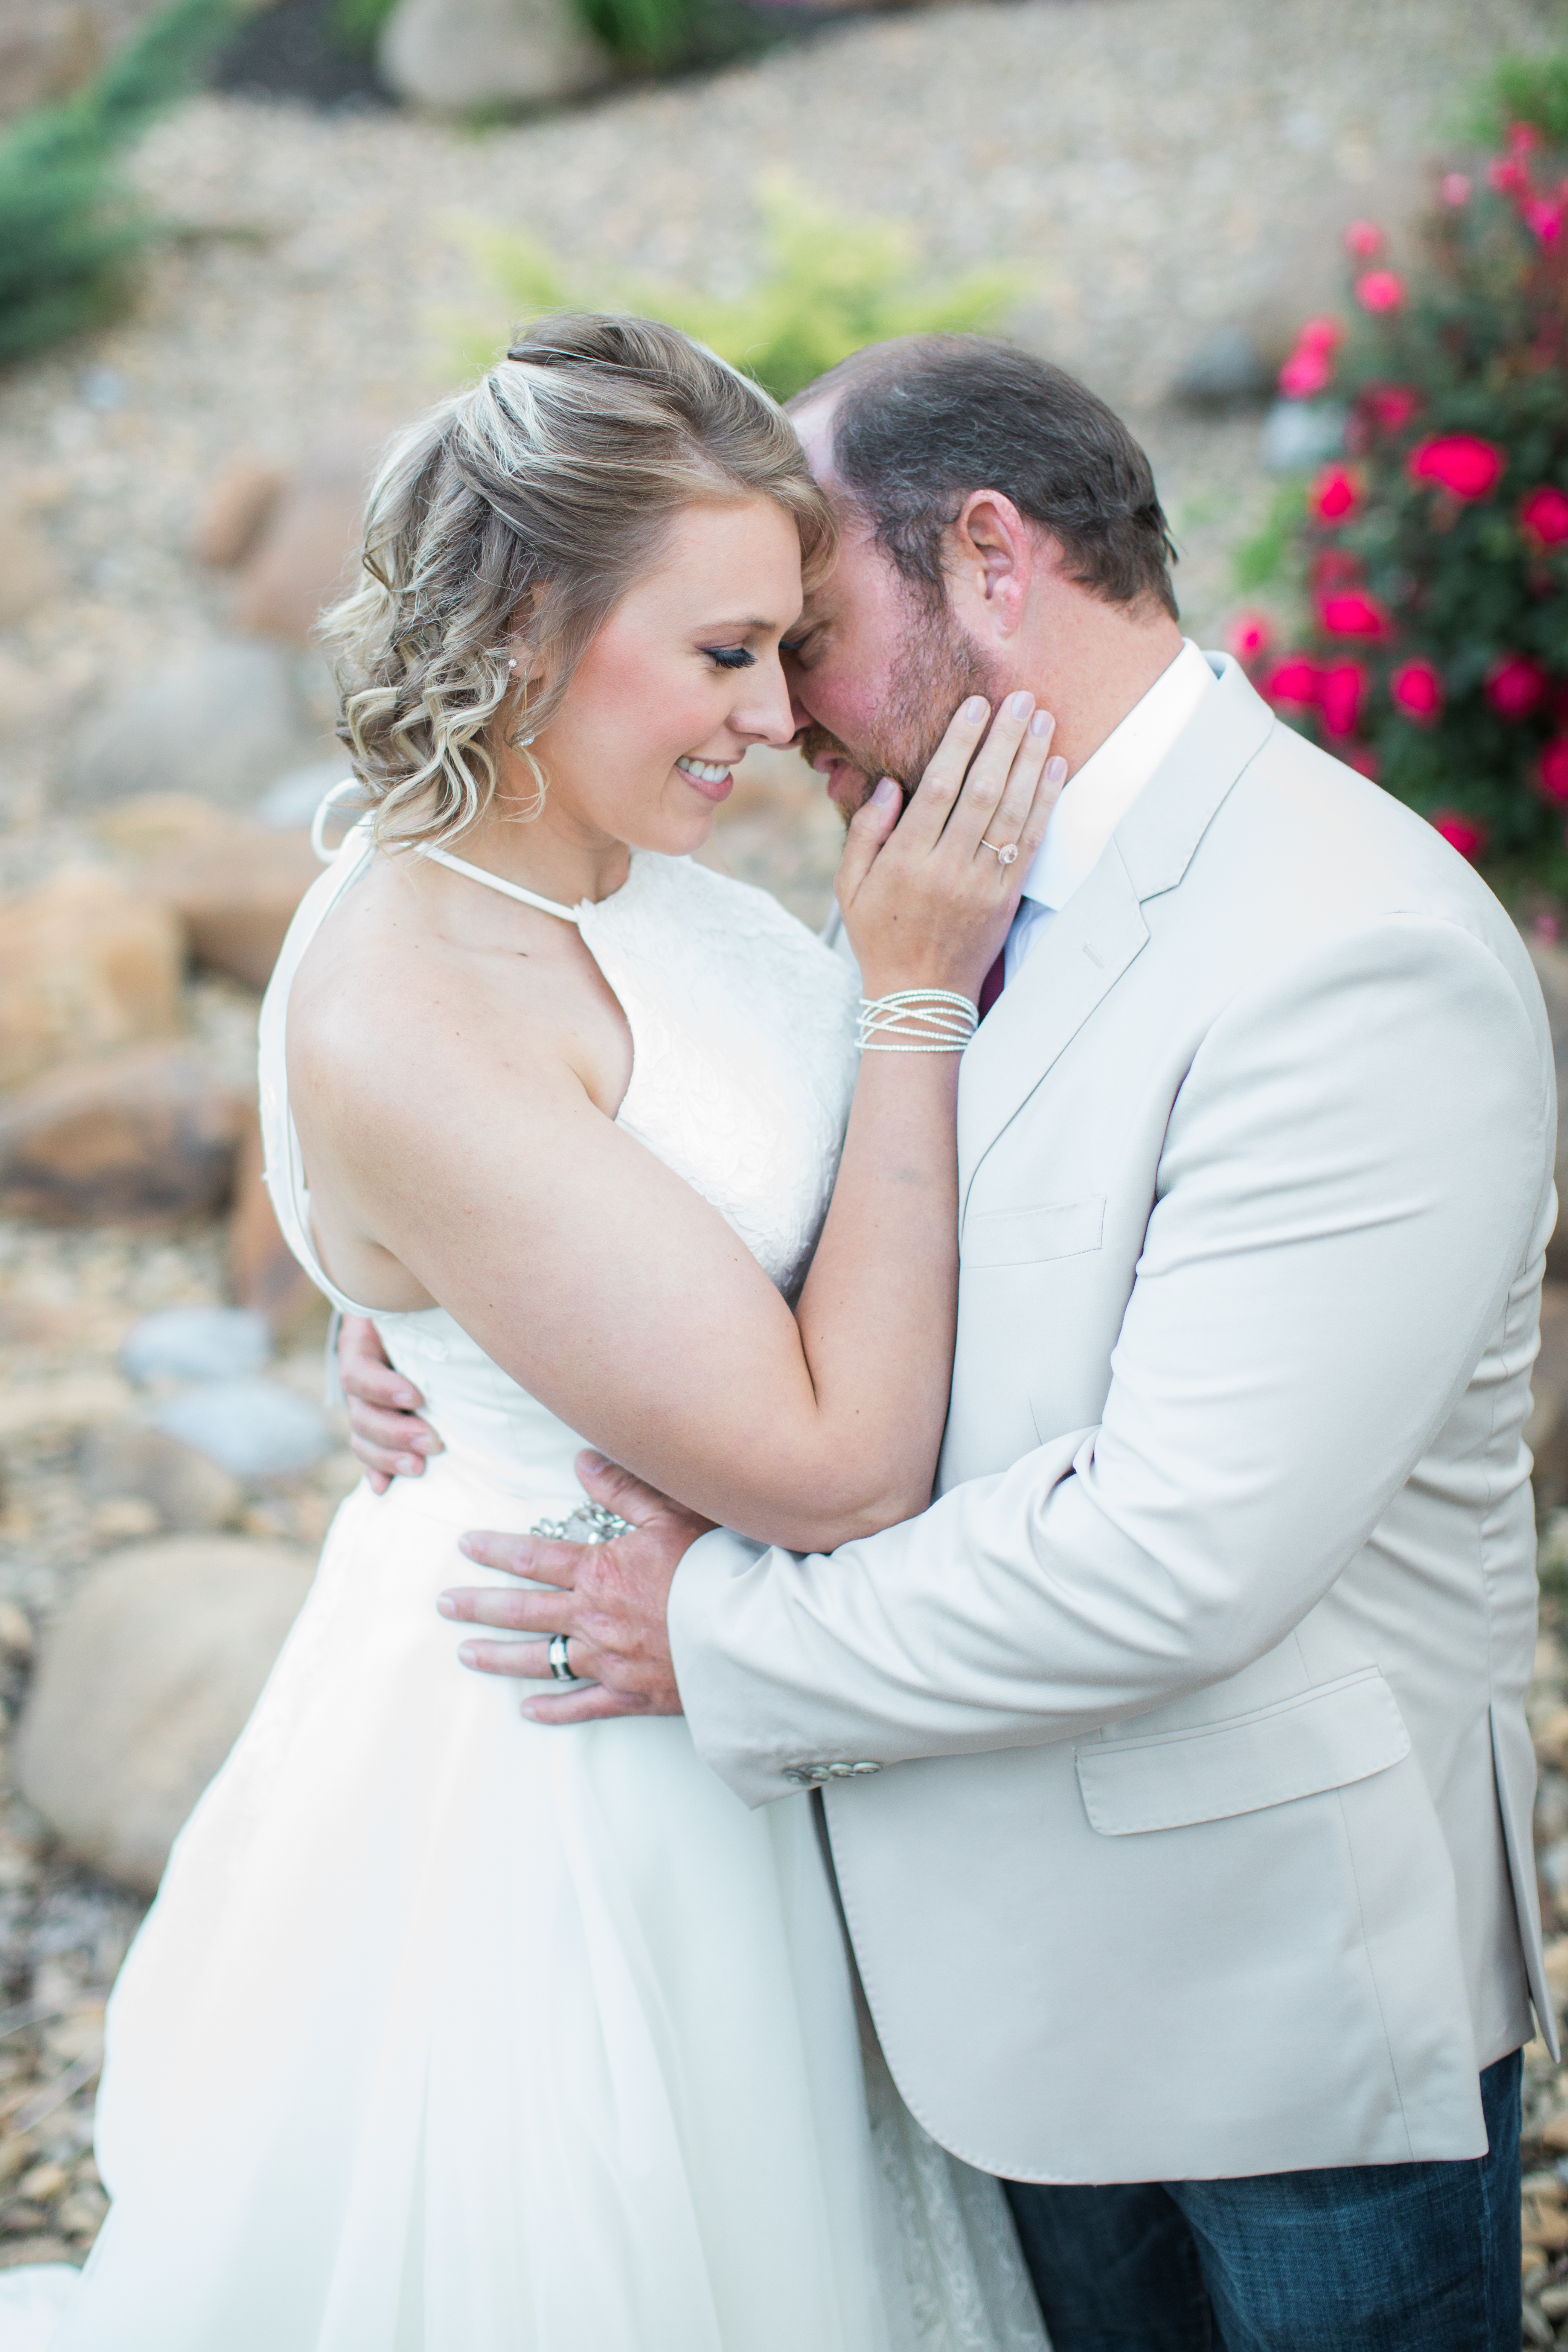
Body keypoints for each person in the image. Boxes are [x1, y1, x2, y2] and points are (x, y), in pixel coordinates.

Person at [349, 334, 1559, 2351]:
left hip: (1260, 2019)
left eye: (803, 629)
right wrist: (461, 1328)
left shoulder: (1351, 950)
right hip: (969, 2003)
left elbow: (1181, 1550)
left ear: (987, 557)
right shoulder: (916, 878)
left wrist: (704, 1635)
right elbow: (780, 1235)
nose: (769, 701)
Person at [42, 318, 1063, 2351]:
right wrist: (915, 993)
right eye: (718, 655)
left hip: (733, 1689)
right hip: (567, 1772)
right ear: (524, 626)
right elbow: (833, 1461)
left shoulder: (620, 875)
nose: (774, 718)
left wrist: (433, 1314)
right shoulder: (418, 1000)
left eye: (780, 647)